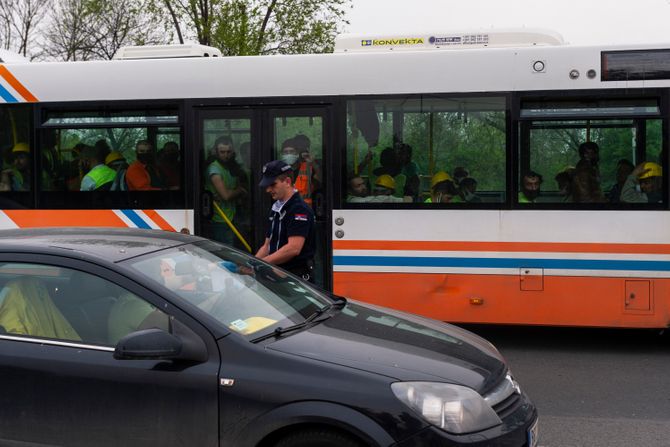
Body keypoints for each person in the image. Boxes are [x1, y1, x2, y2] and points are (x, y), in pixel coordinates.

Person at [255, 160, 316, 281]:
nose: (268, 190)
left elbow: (293, 248)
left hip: (296, 279)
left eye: (273, 185)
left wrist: (261, 264)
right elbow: (267, 246)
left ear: (287, 182)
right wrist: (251, 264)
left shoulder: (299, 209)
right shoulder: (277, 207)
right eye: (267, 186)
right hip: (279, 277)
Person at [205, 136, 248, 244]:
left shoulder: (229, 167)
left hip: (231, 215)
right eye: (222, 152)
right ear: (216, 152)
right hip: (220, 219)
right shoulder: (214, 169)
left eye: (228, 152)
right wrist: (241, 190)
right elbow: (226, 195)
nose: (226, 155)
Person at [280, 136, 321, 207]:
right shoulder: (279, 170)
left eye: (291, 151)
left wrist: (313, 163)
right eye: (286, 152)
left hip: (305, 211)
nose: (289, 155)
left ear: (297, 153)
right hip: (286, 212)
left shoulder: (307, 168)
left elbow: (321, 180)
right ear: (282, 154)